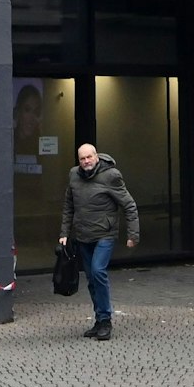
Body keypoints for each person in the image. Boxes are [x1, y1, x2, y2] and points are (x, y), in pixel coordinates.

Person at [59, 143, 138, 341]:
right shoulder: (74, 175)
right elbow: (69, 205)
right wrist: (64, 232)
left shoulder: (111, 175)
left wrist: (133, 234)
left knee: (98, 271)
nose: (86, 161)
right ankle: (99, 319)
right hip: (83, 235)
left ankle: (106, 321)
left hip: (105, 233)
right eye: (82, 159)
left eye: (89, 157)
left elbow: (129, 205)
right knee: (92, 280)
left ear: (97, 156)